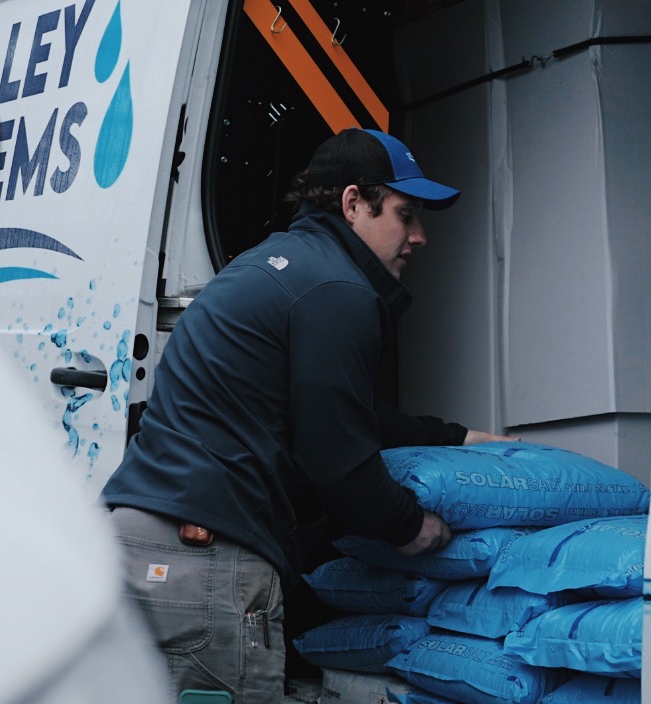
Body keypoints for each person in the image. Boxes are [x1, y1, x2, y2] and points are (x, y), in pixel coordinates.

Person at [100, 127, 512, 703]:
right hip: (209, 564)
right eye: (405, 214)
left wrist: (454, 437)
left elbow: (339, 408)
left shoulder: (267, 267)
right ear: (353, 203)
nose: (420, 236)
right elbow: (337, 458)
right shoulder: (340, 291)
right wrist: (410, 527)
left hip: (131, 546)